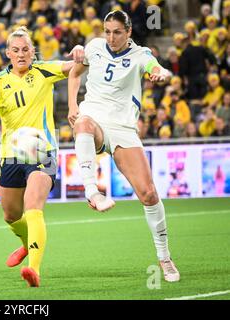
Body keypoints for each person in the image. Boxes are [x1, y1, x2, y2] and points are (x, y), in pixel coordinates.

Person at [67, 10, 180, 282]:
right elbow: (74, 74)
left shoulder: (140, 55)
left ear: (128, 32)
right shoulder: (94, 48)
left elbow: (156, 67)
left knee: (149, 194)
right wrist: (72, 105)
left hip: (123, 128)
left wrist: (159, 74)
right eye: (107, 31)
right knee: (81, 124)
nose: (111, 37)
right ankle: (92, 191)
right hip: (93, 116)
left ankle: (164, 258)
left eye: (117, 32)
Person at [0, 26, 79, 287]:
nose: (21, 54)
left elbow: (75, 67)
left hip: (42, 151)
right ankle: (25, 243)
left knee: (33, 206)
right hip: (11, 155)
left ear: (33, 51)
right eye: (16, 50)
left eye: (26, 49)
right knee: (11, 215)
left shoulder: (44, 70)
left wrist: (80, 54)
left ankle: (34, 270)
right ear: (8, 53)